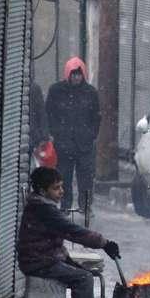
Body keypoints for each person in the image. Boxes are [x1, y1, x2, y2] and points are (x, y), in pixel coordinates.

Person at [18, 166, 120, 298]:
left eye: (61, 187)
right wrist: (104, 243)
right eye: (56, 188)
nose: (61, 192)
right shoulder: (44, 210)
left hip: (42, 258)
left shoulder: (40, 206)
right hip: (39, 262)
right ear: (43, 191)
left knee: (84, 272)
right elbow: (73, 231)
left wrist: (69, 260)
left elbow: (56, 242)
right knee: (84, 278)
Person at [46, 57, 101, 211]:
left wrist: (91, 134)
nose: (76, 77)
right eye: (73, 74)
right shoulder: (56, 91)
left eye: (79, 74)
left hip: (84, 145)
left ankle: (85, 206)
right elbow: (49, 113)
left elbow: (96, 116)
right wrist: (56, 132)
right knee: (64, 177)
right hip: (63, 145)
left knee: (86, 178)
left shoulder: (90, 93)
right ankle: (64, 206)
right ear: (68, 74)